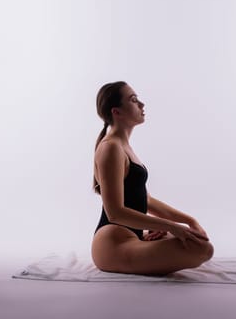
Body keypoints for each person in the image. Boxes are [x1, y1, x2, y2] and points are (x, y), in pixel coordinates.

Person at [91, 81, 214, 275]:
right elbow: (115, 213)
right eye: (133, 100)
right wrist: (171, 226)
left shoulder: (124, 147)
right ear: (116, 112)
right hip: (112, 243)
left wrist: (189, 221)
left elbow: (145, 200)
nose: (141, 104)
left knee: (197, 241)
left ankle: (147, 249)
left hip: (134, 235)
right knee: (202, 250)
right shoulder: (110, 147)